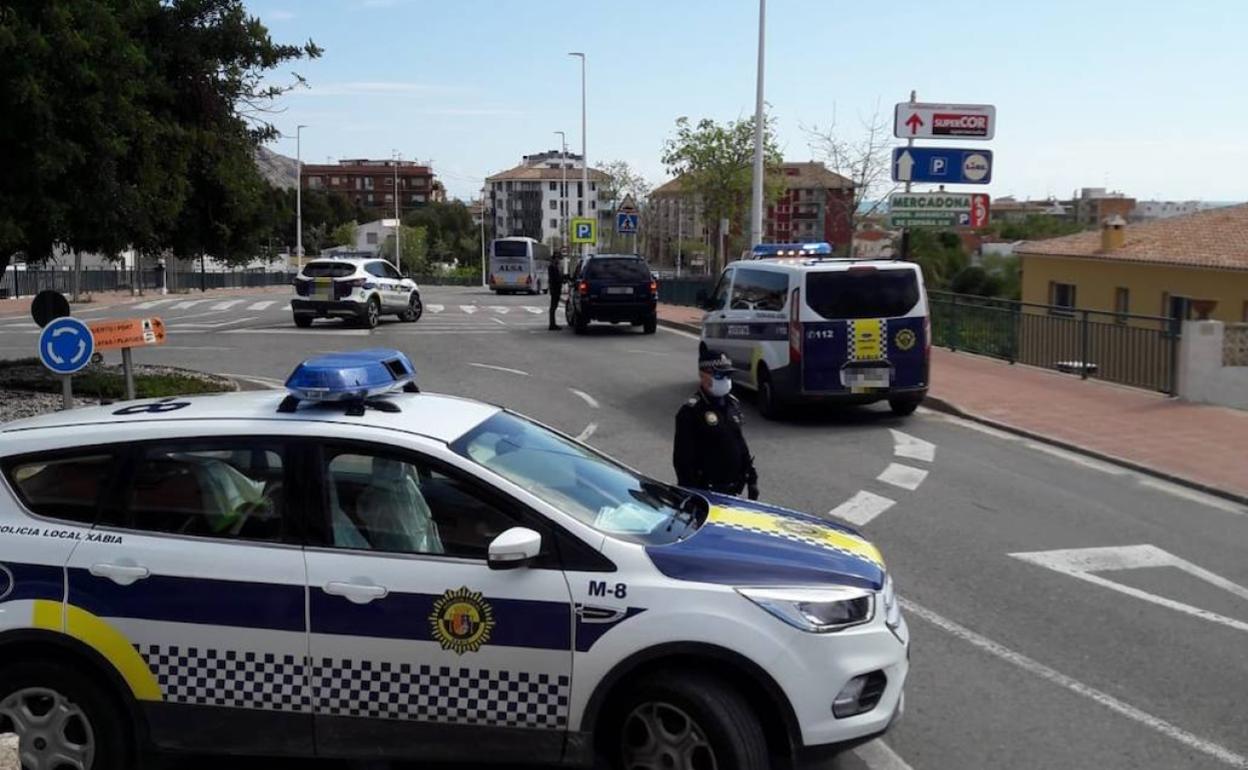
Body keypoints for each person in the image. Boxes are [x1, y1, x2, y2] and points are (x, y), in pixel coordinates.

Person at [673, 346, 759, 499]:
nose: (726, 380)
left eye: (728, 375)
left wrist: (752, 479)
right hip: (707, 493)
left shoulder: (731, 404)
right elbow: (683, 463)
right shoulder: (691, 412)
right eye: (720, 375)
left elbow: (739, 442)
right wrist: (693, 496)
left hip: (733, 491)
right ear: (703, 375)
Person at [547, 253, 565, 331]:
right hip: (555, 289)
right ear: (555, 258)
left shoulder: (553, 266)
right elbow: (556, 279)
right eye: (558, 258)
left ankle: (553, 324)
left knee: (554, 307)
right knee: (553, 307)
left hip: (555, 288)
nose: (559, 260)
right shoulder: (552, 267)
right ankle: (552, 324)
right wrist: (562, 280)